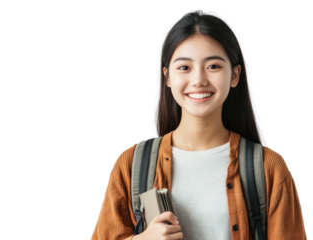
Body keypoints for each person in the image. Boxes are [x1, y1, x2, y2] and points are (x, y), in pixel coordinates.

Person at [90, 8, 307, 240]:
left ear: (234, 76)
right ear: (167, 77)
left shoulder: (269, 168)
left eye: (213, 66)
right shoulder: (131, 164)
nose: (198, 80)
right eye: (184, 67)